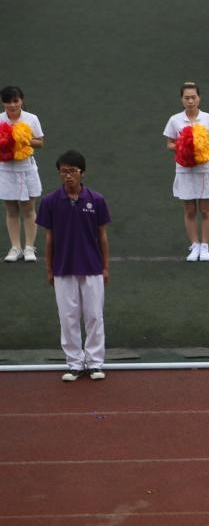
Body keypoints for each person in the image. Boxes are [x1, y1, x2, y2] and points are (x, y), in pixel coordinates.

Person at [35, 150, 110, 382]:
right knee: (68, 317)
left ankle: (95, 363)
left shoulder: (96, 200)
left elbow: (102, 236)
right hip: (63, 268)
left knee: (94, 316)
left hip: (92, 267)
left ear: (82, 173)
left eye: (73, 171)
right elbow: (49, 239)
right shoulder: (50, 202)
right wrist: (49, 269)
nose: (68, 176)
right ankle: (75, 363)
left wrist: (105, 267)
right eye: (64, 171)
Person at [162, 82, 209, 262]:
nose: (190, 101)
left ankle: (205, 246)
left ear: (199, 98)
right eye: (186, 98)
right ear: (181, 99)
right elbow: (169, 144)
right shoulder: (175, 120)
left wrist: (201, 143)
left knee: (205, 210)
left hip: (205, 170)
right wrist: (183, 145)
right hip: (184, 170)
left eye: (193, 97)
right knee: (189, 210)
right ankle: (194, 244)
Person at [0, 85, 44, 262]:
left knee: (28, 208)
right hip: (6, 169)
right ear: (3, 102)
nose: (12, 105)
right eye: (8, 101)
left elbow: (40, 143)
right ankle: (15, 247)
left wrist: (26, 141)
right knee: (11, 209)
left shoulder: (31, 119)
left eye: (15, 101)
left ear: (21, 100)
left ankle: (29, 248)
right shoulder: (0, 120)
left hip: (26, 168)